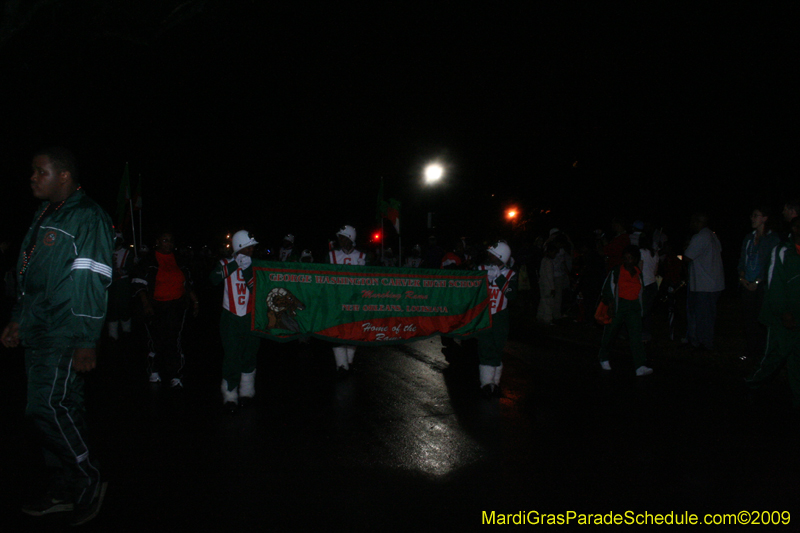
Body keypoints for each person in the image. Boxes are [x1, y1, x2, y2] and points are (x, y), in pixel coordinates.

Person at [1, 148, 113, 525]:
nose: (32, 177)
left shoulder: (86, 216)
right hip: (40, 328)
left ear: (64, 176)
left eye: (40, 171)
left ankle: (87, 478)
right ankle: (67, 485)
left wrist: (86, 338)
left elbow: (92, 278)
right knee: (64, 407)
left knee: (44, 407)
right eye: (32, 171)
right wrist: (19, 318)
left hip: (64, 330)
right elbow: (31, 278)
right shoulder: (47, 214)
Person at [133, 230, 199, 388]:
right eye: (165, 240)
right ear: (157, 241)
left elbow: (187, 284)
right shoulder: (148, 260)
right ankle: (154, 371)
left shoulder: (180, 260)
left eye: (170, 241)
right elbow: (139, 284)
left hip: (176, 306)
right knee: (155, 340)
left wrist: (195, 301)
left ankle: (175, 374)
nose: (168, 244)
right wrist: (146, 304)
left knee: (174, 340)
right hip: (155, 305)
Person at [746, 216, 800, 407]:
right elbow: (774, 285)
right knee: (773, 357)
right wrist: (784, 312)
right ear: (794, 228)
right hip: (781, 318)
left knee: (796, 360)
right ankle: (751, 385)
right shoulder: (783, 251)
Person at [210, 230, 261, 413]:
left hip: (250, 316)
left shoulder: (255, 265)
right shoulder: (225, 263)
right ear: (240, 247)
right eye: (249, 247)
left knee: (249, 353)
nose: (252, 250)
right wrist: (234, 265)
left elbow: (256, 290)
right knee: (231, 355)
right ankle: (230, 394)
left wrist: (247, 270)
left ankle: (247, 391)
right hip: (230, 317)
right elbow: (214, 279)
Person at [597, 246, 653, 376]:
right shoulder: (616, 271)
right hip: (619, 305)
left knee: (636, 336)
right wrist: (610, 305)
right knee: (611, 332)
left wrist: (642, 309)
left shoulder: (638, 272)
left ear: (635, 259)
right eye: (626, 258)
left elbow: (641, 292)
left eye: (631, 258)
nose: (628, 261)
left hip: (633, 307)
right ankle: (603, 357)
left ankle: (640, 365)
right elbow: (607, 289)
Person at [737, 207, 780, 360]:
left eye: (756, 216)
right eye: (752, 215)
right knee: (748, 320)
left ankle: (763, 353)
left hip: (762, 286)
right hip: (747, 284)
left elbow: (772, 264)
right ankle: (751, 351)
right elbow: (742, 261)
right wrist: (742, 278)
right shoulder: (749, 238)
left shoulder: (772, 239)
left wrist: (757, 281)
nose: (752, 218)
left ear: (765, 218)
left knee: (761, 320)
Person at [476, 241, 518, 397]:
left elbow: (512, 295)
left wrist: (499, 279)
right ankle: (486, 383)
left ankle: (495, 382)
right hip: (484, 314)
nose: (489, 255)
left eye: (493, 254)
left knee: (498, 347)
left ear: (500, 257)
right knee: (485, 346)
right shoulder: (480, 269)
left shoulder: (510, 274)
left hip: (500, 315)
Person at [683, 213, 725, 351]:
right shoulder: (712, 235)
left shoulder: (700, 237)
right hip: (712, 283)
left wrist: (685, 247)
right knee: (705, 315)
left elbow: (687, 257)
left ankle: (704, 344)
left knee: (703, 316)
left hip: (705, 284)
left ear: (698, 222)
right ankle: (698, 340)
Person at [329, 225, 365, 372]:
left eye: (343, 238)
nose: (340, 240)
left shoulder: (363, 257)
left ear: (350, 239)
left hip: (355, 302)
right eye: (340, 238)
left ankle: (349, 360)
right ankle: (341, 365)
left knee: (353, 331)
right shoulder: (331, 256)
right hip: (337, 301)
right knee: (337, 331)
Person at [107, 232, 134, 340]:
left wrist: (117, 272)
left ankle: (126, 330)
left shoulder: (127, 252)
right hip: (111, 283)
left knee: (124, 306)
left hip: (123, 283)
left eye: (118, 240)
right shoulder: (107, 252)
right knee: (112, 307)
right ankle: (113, 334)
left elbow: (129, 268)